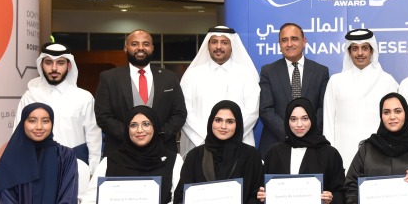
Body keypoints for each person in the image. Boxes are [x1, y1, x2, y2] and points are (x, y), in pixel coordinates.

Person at [95, 29, 187, 154]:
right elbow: (103, 116)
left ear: (152, 48)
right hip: (121, 151)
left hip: (162, 150)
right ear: (126, 48)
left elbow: (179, 113)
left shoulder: (169, 77)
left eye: (146, 44)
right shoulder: (109, 77)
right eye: (134, 44)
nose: (140, 48)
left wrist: (158, 135)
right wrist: (131, 135)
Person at [17, 42, 102, 172]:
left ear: (69, 66)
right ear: (41, 65)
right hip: (37, 165)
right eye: (49, 62)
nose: (54, 68)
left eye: (60, 63)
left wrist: (93, 172)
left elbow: (93, 138)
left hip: (75, 166)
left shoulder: (84, 98)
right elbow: (18, 135)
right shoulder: (30, 96)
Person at [179, 25, 260, 155]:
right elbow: (185, 111)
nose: (218, 47)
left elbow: (252, 111)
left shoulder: (246, 74)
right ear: (208, 45)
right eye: (214, 42)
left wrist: (230, 136)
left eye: (224, 42)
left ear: (232, 46)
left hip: (238, 145)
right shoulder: (192, 75)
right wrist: (207, 138)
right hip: (199, 145)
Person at [323, 28, 400, 163]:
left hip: (380, 155)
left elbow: (396, 123)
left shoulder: (387, 81)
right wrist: (329, 155)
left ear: (372, 51)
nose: (360, 53)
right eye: (355, 49)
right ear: (349, 52)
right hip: (343, 154)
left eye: (364, 48)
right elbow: (328, 123)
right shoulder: (336, 81)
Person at [259, 22, 330, 154]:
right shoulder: (268, 71)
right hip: (277, 143)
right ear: (280, 45)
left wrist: (307, 131)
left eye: (294, 39)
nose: (289, 44)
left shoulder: (321, 71)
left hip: (312, 143)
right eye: (284, 40)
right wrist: (289, 133)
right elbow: (266, 109)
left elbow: (323, 107)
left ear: (304, 41)